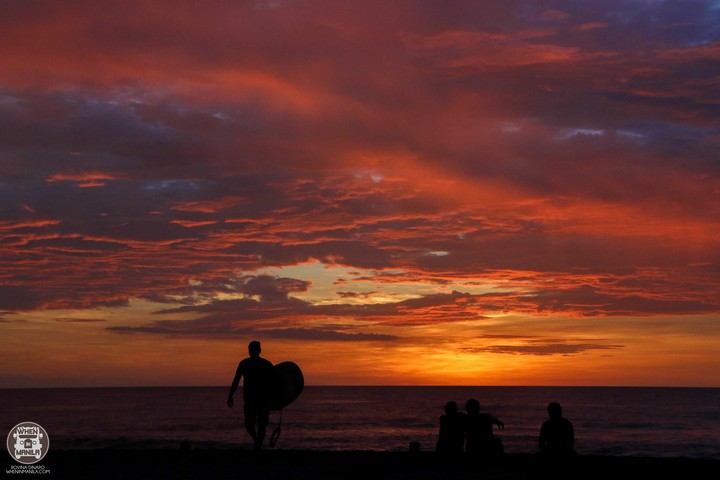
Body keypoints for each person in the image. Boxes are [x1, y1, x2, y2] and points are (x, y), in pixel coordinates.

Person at [227, 340, 275, 450]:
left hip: (263, 400)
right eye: (250, 349)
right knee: (249, 425)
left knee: (261, 425)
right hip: (249, 400)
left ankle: (257, 445)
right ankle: (257, 441)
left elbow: (274, 382)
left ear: (259, 351)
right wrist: (230, 395)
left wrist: (277, 398)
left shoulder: (267, 365)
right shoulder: (244, 364)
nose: (251, 351)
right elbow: (236, 380)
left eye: (253, 349)